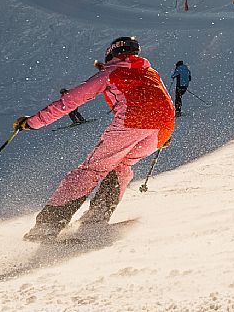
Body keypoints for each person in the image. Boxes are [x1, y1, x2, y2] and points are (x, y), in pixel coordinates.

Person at [14, 36, 175, 241]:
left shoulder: (111, 72)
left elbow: (72, 99)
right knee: (120, 166)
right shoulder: (150, 72)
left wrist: (33, 122)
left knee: (92, 170)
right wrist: (163, 134)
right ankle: (97, 218)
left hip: (133, 122)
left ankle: (47, 226)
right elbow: (164, 99)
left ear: (111, 55)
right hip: (162, 128)